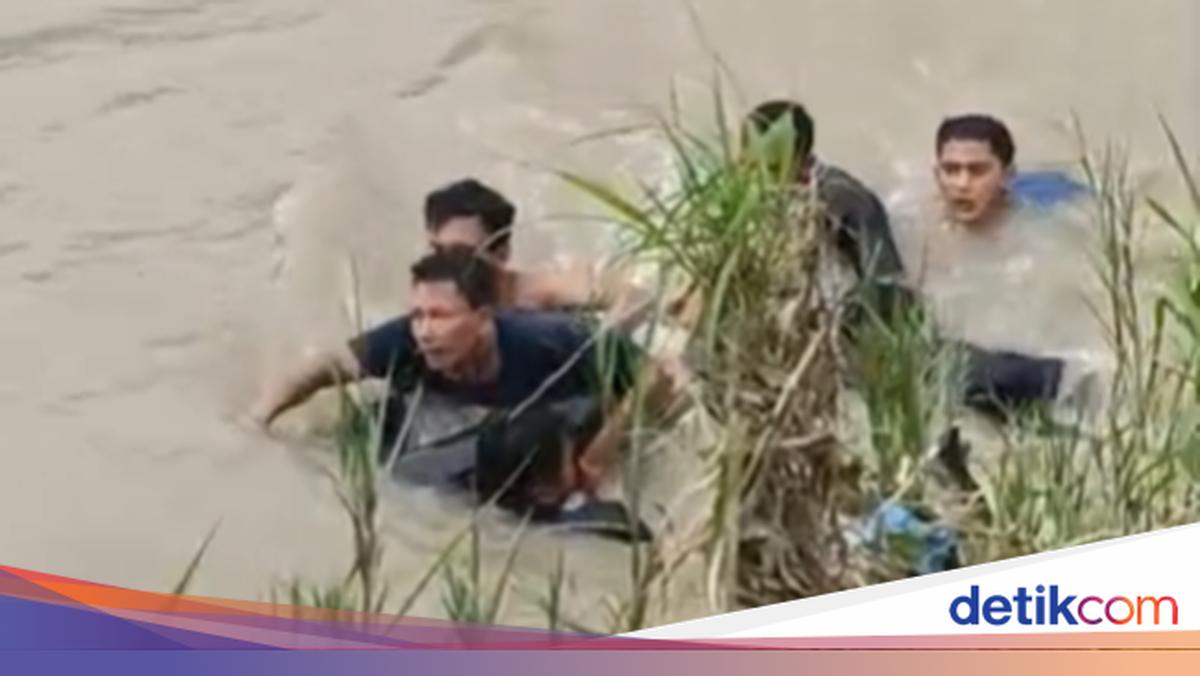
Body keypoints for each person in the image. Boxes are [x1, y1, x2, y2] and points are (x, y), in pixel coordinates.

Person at [249, 245, 673, 497]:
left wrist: (600, 453)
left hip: (576, 399)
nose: (425, 332)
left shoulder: (549, 340)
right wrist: (260, 418)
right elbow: (325, 367)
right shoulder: (406, 340)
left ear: (484, 317)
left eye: (440, 316)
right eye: (417, 315)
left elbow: (658, 376)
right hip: (462, 408)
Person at [422, 178, 652, 329]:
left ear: (502, 255)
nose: (445, 264)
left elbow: (637, 298)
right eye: (437, 250)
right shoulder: (428, 307)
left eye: (461, 253)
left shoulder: (539, 292)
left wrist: (591, 353)